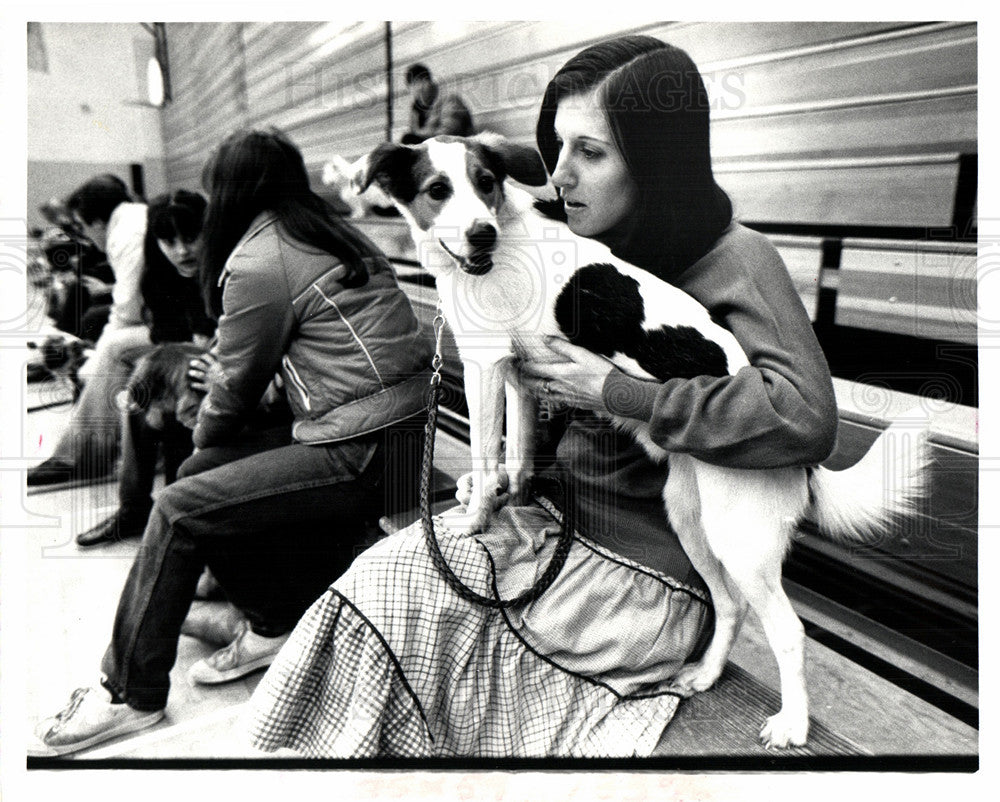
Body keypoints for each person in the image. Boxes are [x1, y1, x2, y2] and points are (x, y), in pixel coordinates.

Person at [245, 36, 837, 758]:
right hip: (557, 519)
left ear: (658, 158)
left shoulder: (739, 259)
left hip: (646, 567)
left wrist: (616, 390)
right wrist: (509, 469)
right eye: (556, 148)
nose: (557, 175)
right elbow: (536, 391)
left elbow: (804, 421)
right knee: (376, 587)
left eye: (591, 152)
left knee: (428, 639)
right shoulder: (550, 243)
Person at [30, 128, 434, 757]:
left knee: (182, 502)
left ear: (227, 192)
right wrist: (210, 438)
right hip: (400, 435)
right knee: (204, 469)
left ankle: (128, 694)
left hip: (369, 448)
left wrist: (203, 428)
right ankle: (271, 621)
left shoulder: (261, 256)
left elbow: (232, 393)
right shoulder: (330, 231)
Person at [74, 190, 217, 548]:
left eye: (190, 237)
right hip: (193, 362)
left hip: (225, 369)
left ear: (207, 230)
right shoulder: (158, 277)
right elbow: (166, 339)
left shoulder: (226, 270)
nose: (182, 250)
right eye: (169, 240)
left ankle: (166, 512)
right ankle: (134, 508)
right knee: (141, 397)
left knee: (166, 402)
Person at [27, 175, 150, 486]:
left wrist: (96, 361)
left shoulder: (125, 232)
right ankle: (81, 451)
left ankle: (84, 456)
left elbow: (128, 308)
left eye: (82, 226)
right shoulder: (131, 220)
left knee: (112, 348)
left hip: (181, 326)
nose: (84, 234)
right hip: (165, 321)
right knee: (106, 344)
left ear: (96, 220)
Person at [401, 62, 474, 144]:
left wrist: (420, 137)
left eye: (422, 82)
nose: (418, 89)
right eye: (413, 86)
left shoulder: (450, 100)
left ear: (429, 82)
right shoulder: (416, 110)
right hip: (428, 152)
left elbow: (450, 133)